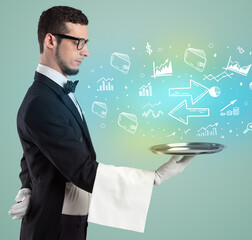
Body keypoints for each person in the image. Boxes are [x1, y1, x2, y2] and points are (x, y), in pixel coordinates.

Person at [8, 6, 194, 240]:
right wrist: (154, 177)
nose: (86, 52)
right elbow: (81, 170)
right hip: (54, 227)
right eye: (78, 42)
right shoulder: (41, 102)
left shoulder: (52, 93)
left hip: (68, 221)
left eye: (86, 42)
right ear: (50, 40)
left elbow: (33, 152)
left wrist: (27, 186)